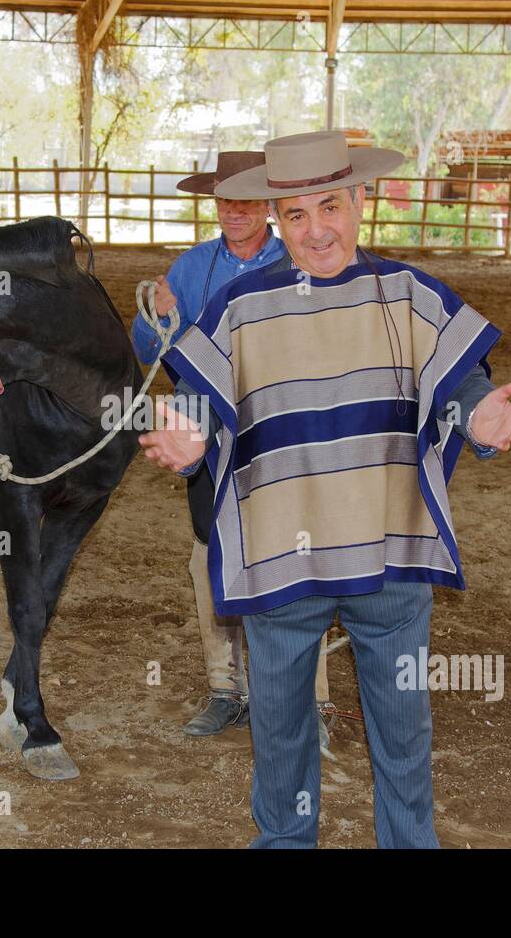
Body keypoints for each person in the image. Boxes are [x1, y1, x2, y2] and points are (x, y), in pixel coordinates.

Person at [139, 131, 511, 848]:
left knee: (403, 726)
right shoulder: (238, 307)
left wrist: (481, 411)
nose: (317, 229)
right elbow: (200, 396)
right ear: (277, 221)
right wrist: (190, 436)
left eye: (330, 206)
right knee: (282, 727)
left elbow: (458, 376)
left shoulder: (409, 293)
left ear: (360, 200)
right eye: (295, 215)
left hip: (388, 555)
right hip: (282, 561)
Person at [133, 152, 333, 741]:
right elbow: (150, 351)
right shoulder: (192, 266)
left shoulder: (301, 258)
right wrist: (157, 317)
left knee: (299, 555)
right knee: (210, 551)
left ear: (269, 205)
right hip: (208, 421)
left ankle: (311, 702)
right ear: (215, 206)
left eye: (248, 201)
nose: (236, 212)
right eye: (226, 202)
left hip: (280, 422)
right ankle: (227, 689)